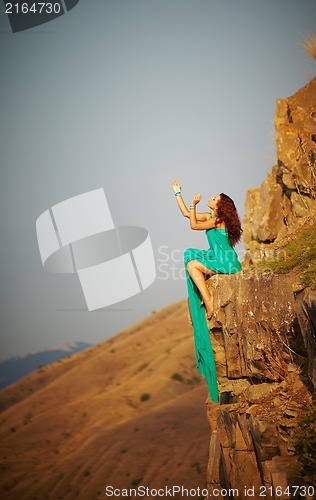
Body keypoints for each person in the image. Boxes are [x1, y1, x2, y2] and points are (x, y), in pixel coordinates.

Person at [172, 179, 242, 401]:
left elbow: (193, 225)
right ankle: (205, 295)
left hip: (226, 262)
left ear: (220, 206)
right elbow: (187, 216)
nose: (211, 199)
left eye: (214, 199)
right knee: (190, 256)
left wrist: (194, 204)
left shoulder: (219, 221)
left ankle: (209, 300)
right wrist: (178, 194)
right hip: (218, 259)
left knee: (192, 264)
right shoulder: (212, 217)